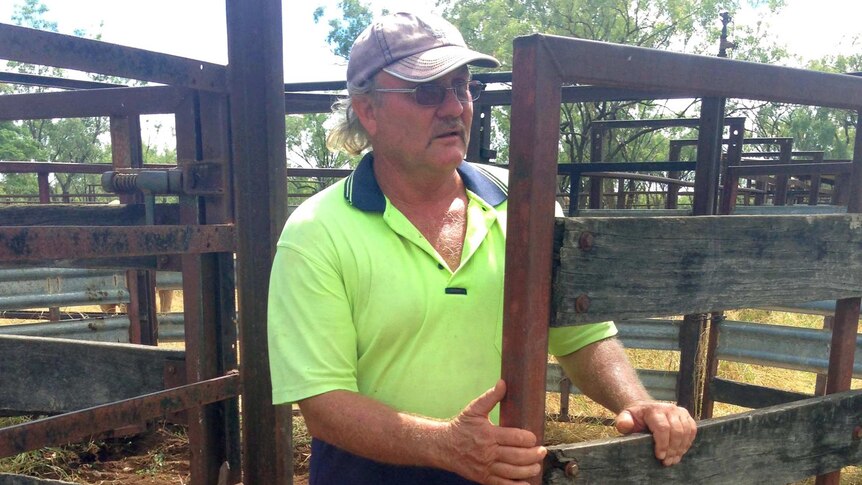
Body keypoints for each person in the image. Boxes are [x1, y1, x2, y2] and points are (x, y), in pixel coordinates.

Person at [268, 11, 697, 485]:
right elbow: (325, 405)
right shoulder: (316, 233)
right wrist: (445, 445)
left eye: (463, 86)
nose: (454, 107)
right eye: (427, 91)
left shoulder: (526, 208)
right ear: (368, 110)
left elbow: (580, 335)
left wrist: (636, 402)